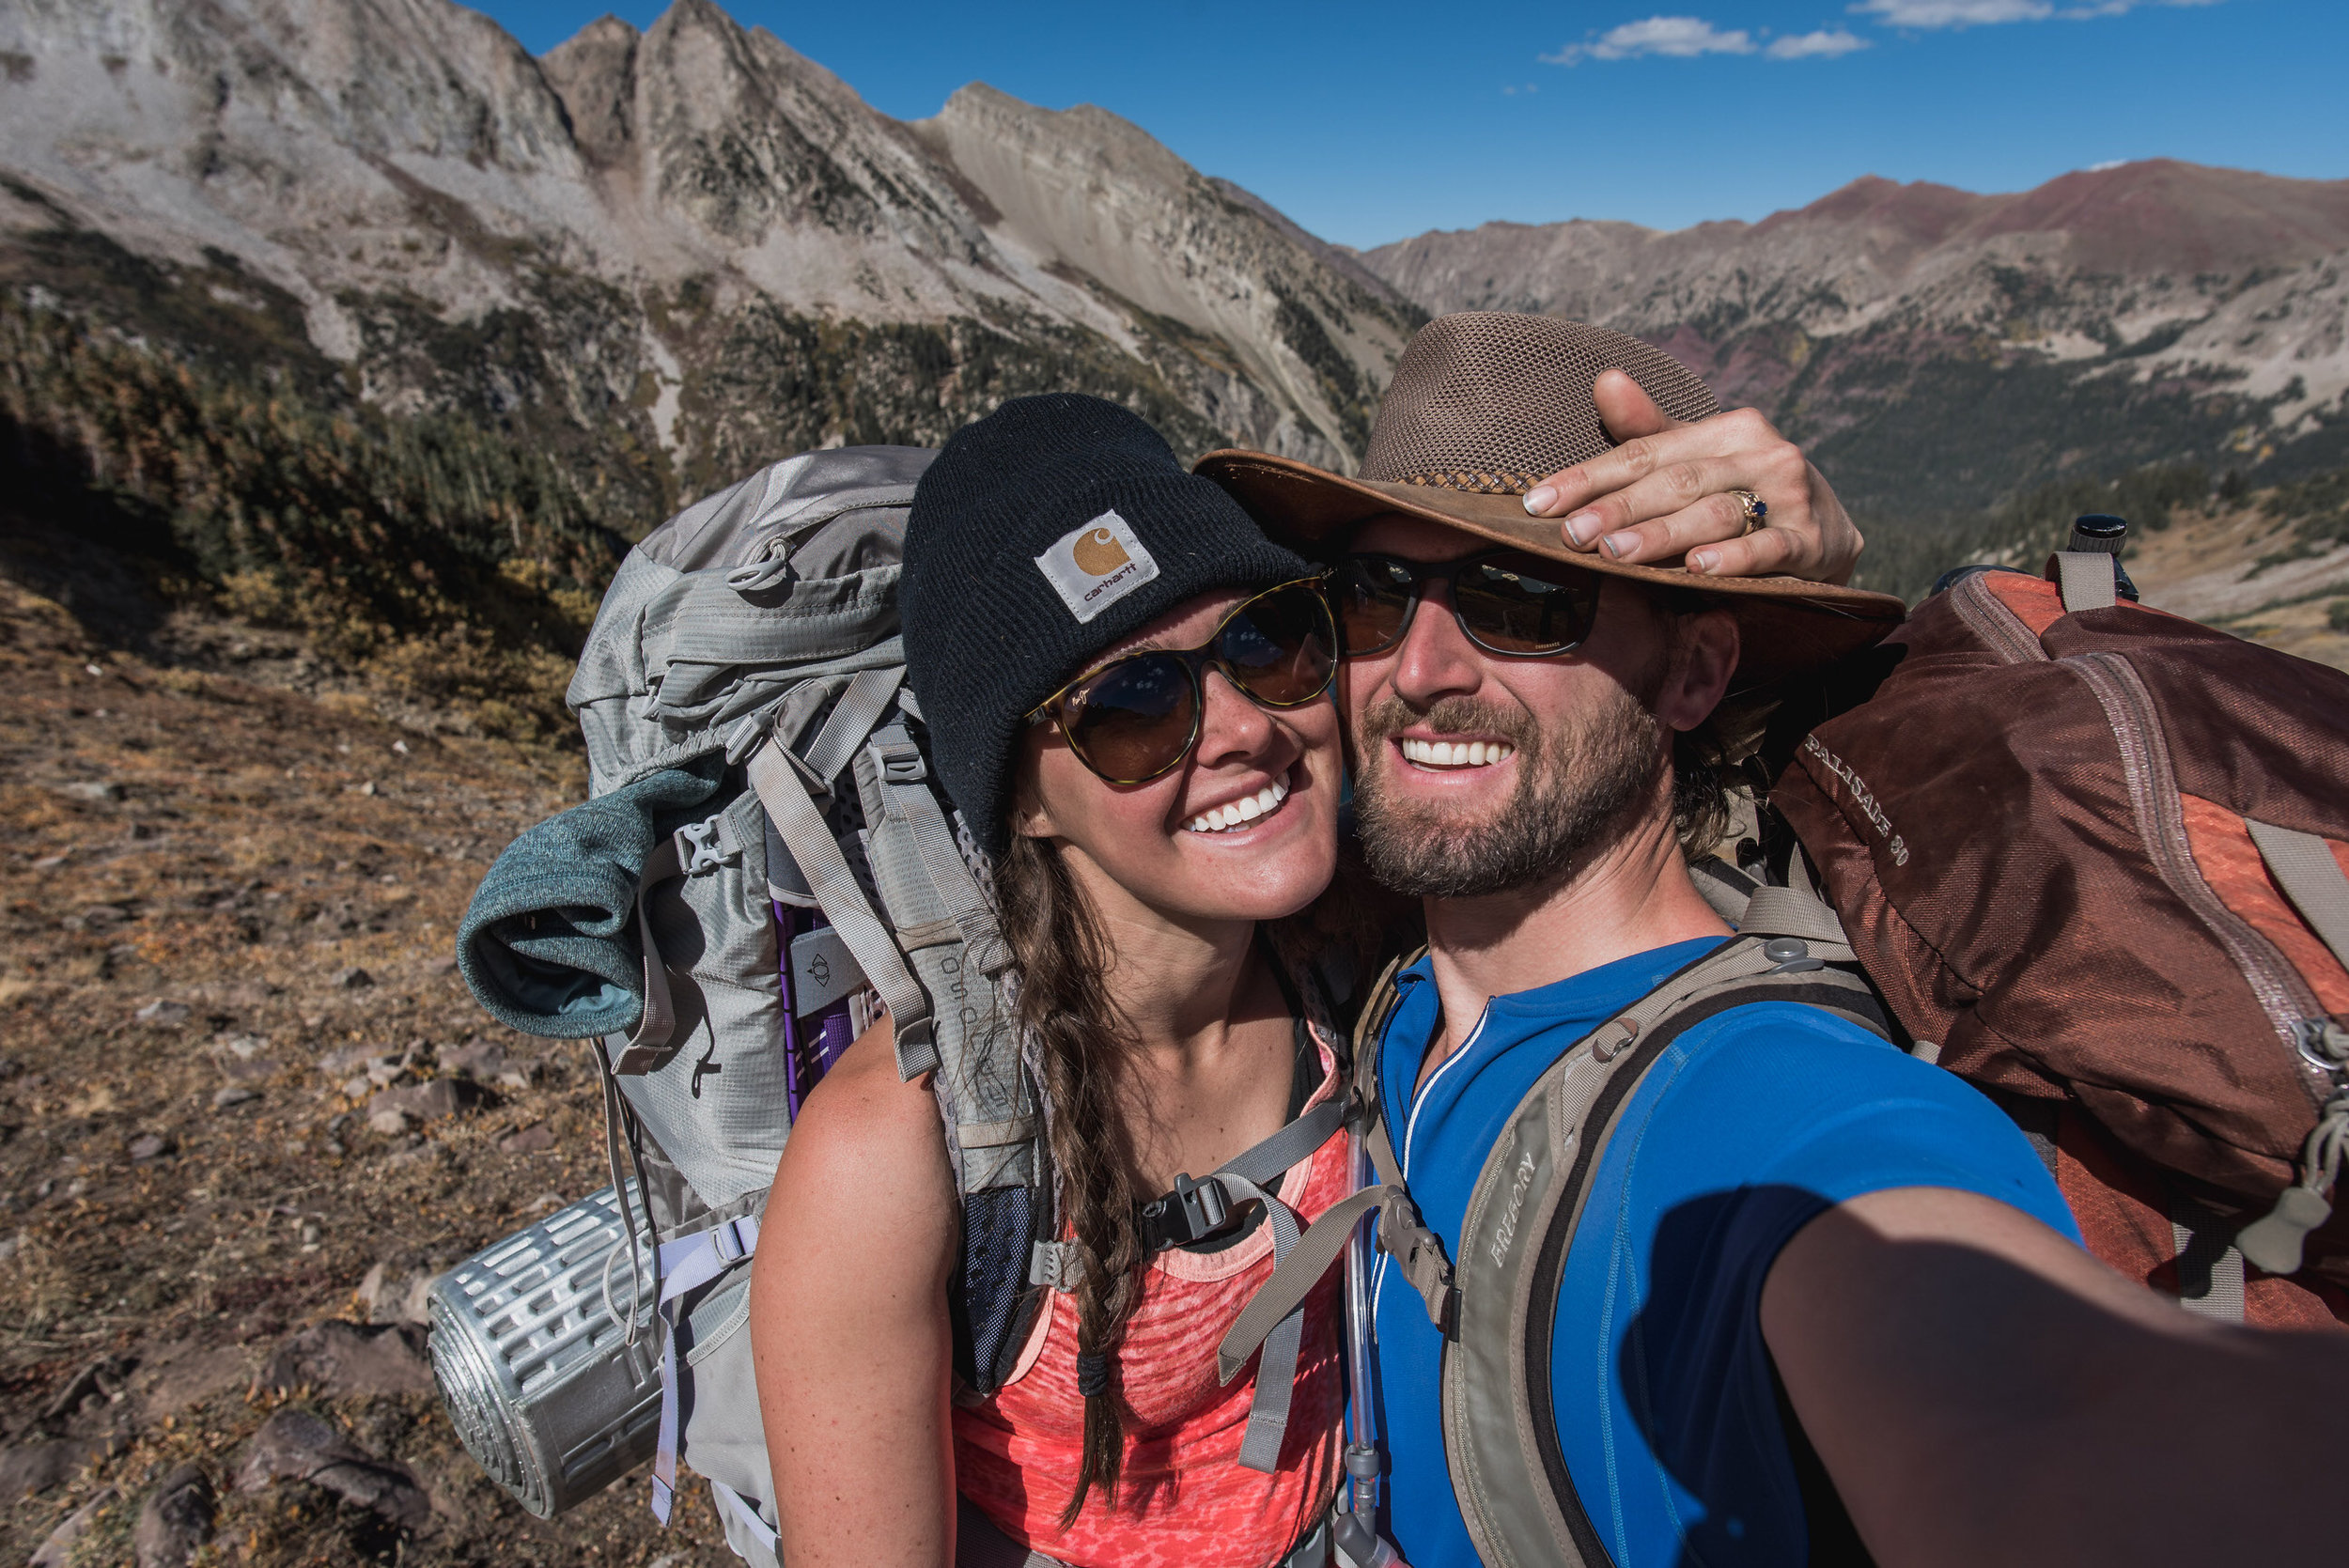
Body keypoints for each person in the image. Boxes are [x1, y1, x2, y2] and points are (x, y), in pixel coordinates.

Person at [1198, 311, 2349, 1568]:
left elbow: (2040, 1406)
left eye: (1519, 601)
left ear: (1694, 679)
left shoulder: (1783, 1112)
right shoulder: (1383, 978)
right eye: (1370, 596)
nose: (1417, 668)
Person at [746, 366, 1868, 1567]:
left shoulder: (1364, 932)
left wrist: (1817, 547)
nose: (1239, 728)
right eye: (1132, 704)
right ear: (1021, 798)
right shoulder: (899, 1154)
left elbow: (1592, 749)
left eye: (1266, 643)